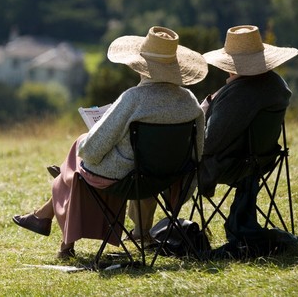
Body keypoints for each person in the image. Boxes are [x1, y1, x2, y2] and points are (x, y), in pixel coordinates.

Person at [12, 26, 208, 259]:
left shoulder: (133, 99)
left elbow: (92, 151)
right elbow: (198, 151)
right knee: (84, 164)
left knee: (80, 150)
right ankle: (45, 212)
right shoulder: (190, 101)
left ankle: (55, 225)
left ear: (140, 65)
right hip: (169, 179)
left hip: (127, 178)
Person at [198, 24, 298, 257]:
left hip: (230, 165)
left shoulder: (237, 94)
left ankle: (157, 231)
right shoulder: (277, 85)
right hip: (261, 162)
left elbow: (210, 142)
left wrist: (210, 106)